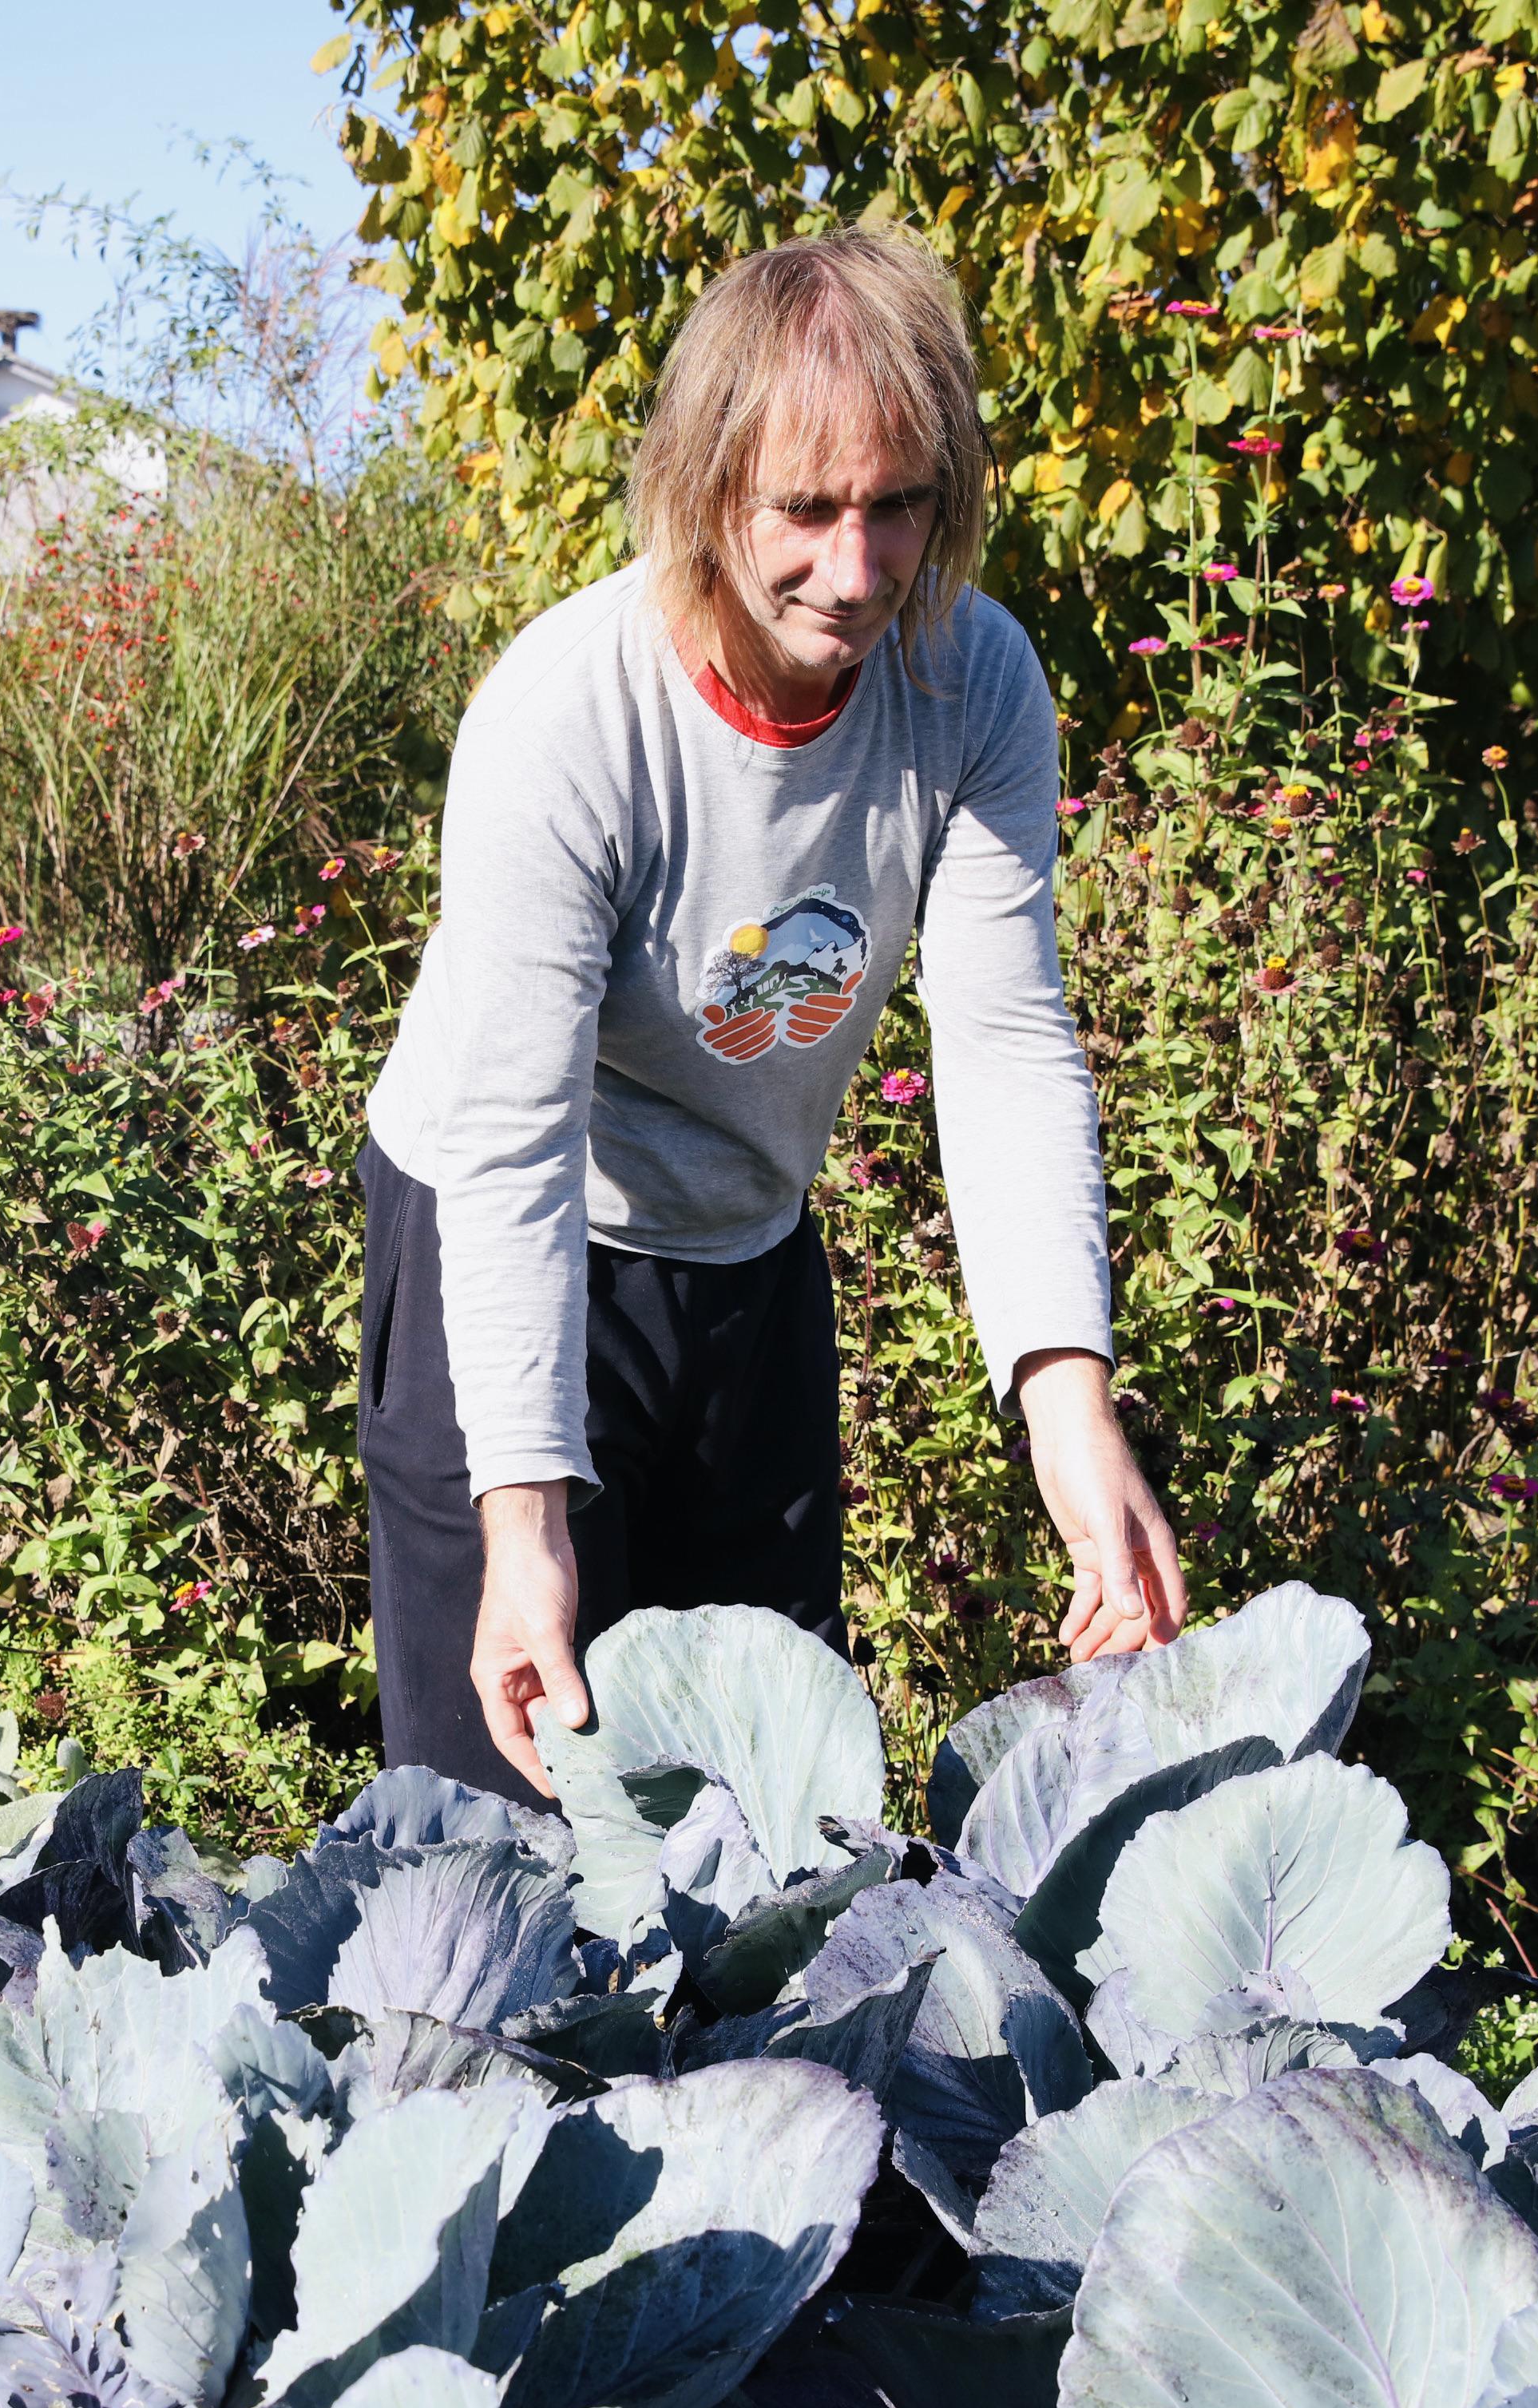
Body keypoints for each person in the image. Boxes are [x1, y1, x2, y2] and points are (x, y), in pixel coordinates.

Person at [358, 228, 1186, 1806]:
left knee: (763, 1817)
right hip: (508, 1230)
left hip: (745, 1244)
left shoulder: (976, 681)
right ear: (703, 489)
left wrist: (1071, 1416)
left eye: (899, 509)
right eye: (804, 511)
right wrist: (523, 1525)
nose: (857, 572)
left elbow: (1007, 1045)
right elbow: (518, 1142)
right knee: (517, 1810)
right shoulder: (569, 718)